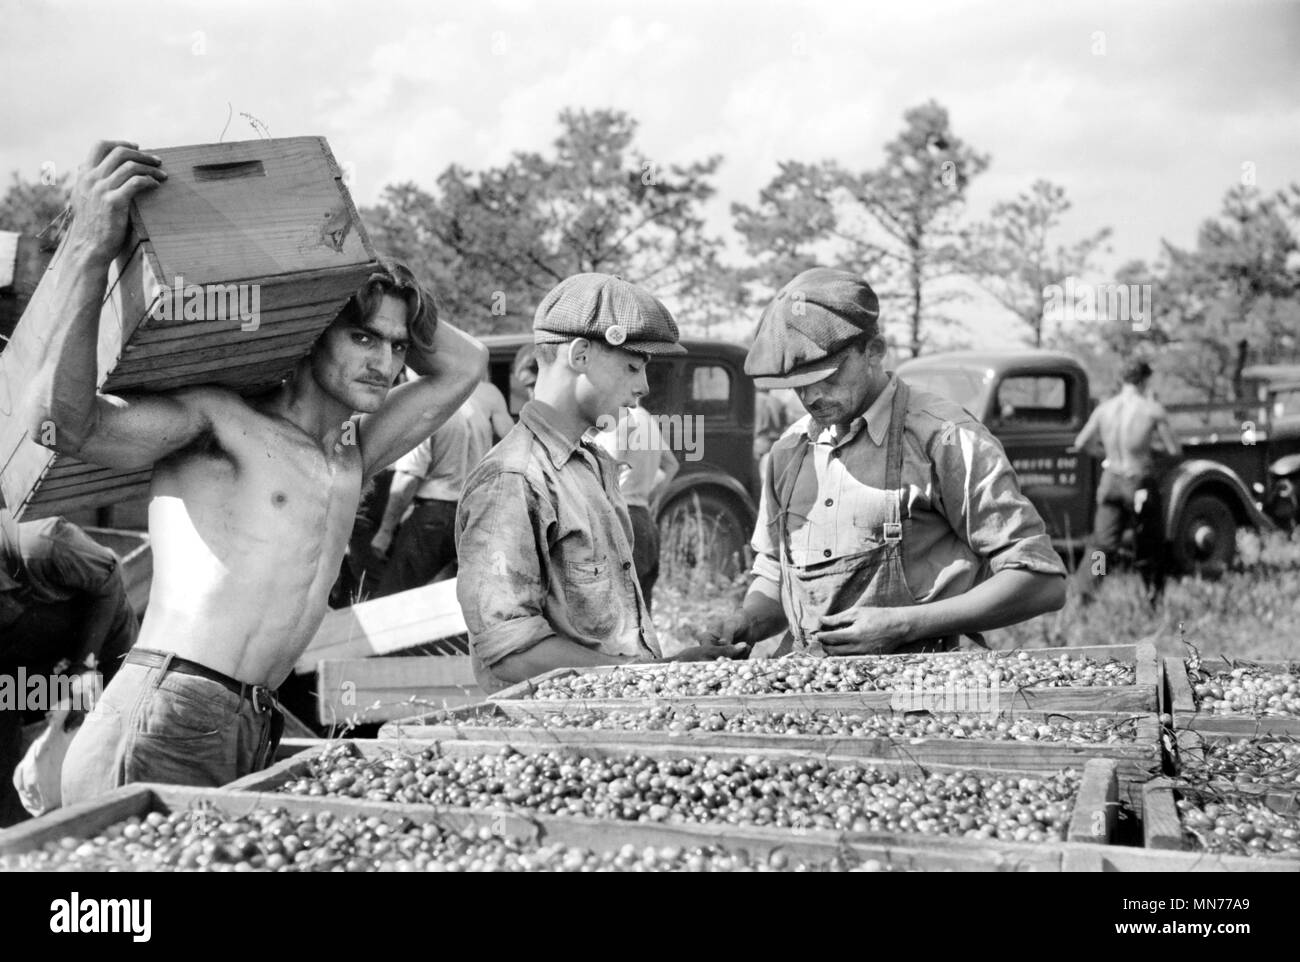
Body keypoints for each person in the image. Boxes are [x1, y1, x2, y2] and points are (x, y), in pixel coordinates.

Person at [21, 141, 486, 802]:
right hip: (168, 707)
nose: (384, 361)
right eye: (361, 337)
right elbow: (65, 426)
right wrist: (92, 247)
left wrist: (355, 268)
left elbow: (462, 368)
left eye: (396, 346)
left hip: (251, 717)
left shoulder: (349, 458)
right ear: (312, 332)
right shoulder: (220, 422)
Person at [700, 267, 1067, 656]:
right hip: (808, 691)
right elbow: (775, 572)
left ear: (874, 351)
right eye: (797, 384)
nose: (811, 396)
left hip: (922, 690)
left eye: (828, 376)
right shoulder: (790, 451)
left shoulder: (943, 438)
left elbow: (1041, 581)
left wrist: (906, 624)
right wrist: (749, 620)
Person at [455, 273, 747, 693]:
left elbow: (609, 648)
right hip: (554, 741)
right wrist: (650, 679)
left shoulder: (592, 465)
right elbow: (511, 654)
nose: (643, 386)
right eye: (632, 366)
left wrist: (673, 670)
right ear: (579, 355)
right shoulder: (514, 478)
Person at [1, 508, 138, 824]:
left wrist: (83, 665)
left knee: (103, 736)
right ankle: (13, 832)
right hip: (30, 660)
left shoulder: (42, 543)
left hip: (101, 651)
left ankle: (109, 819)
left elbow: (108, 576)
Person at [1072, 358, 1182, 604]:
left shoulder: (1104, 409)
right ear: (1144, 380)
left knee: (1102, 545)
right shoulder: (1151, 409)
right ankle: (1152, 597)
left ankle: (1087, 592)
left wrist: (1106, 457)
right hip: (1138, 481)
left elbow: (1081, 443)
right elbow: (1174, 451)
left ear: (1122, 380)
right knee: (1148, 544)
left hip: (1110, 481)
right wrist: (1151, 457)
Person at [370, 388, 494, 596]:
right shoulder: (476, 409)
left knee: (394, 597)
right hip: (473, 514)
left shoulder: (428, 413)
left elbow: (408, 479)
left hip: (434, 518)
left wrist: (385, 531)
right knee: (455, 599)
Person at [593, 402, 679, 610]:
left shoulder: (621, 419)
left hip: (621, 521)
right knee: (642, 615)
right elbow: (671, 465)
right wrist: (649, 497)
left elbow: (608, 468)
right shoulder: (645, 418)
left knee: (620, 613)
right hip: (644, 520)